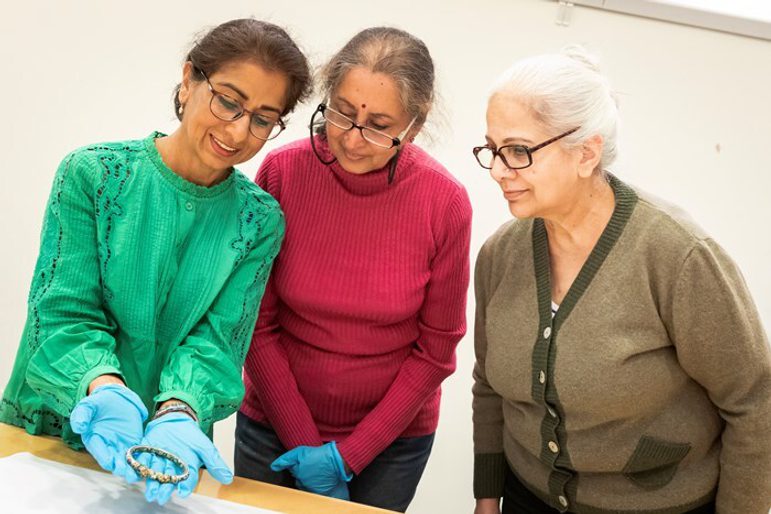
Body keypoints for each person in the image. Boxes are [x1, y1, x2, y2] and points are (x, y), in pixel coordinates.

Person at [0, 18, 312, 506]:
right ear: (189, 80)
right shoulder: (93, 175)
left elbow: (217, 340)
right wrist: (100, 386)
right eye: (228, 100)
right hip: (58, 423)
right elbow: (62, 312)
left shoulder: (259, 221)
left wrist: (178, 412)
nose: (237, 130)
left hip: (164, 448)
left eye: (262, 118)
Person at [471, 46, 771, 514]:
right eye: (491, 149)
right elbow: (488, 385)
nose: (497, 170)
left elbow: (755, 403)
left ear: (587, 152)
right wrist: (487, 497)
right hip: (528, 496)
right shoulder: (499, 254)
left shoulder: (678, 255)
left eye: (518, 151)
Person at [234, 27, 472, 512]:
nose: (352, 138)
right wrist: (303, 442)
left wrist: (348, 456)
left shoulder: (443, 203)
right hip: (272, 427)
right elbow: (254, 322)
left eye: (379, 125)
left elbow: (436, 350)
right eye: (341, 112)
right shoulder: (282, 174)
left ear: (415, 124)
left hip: (390, 446)